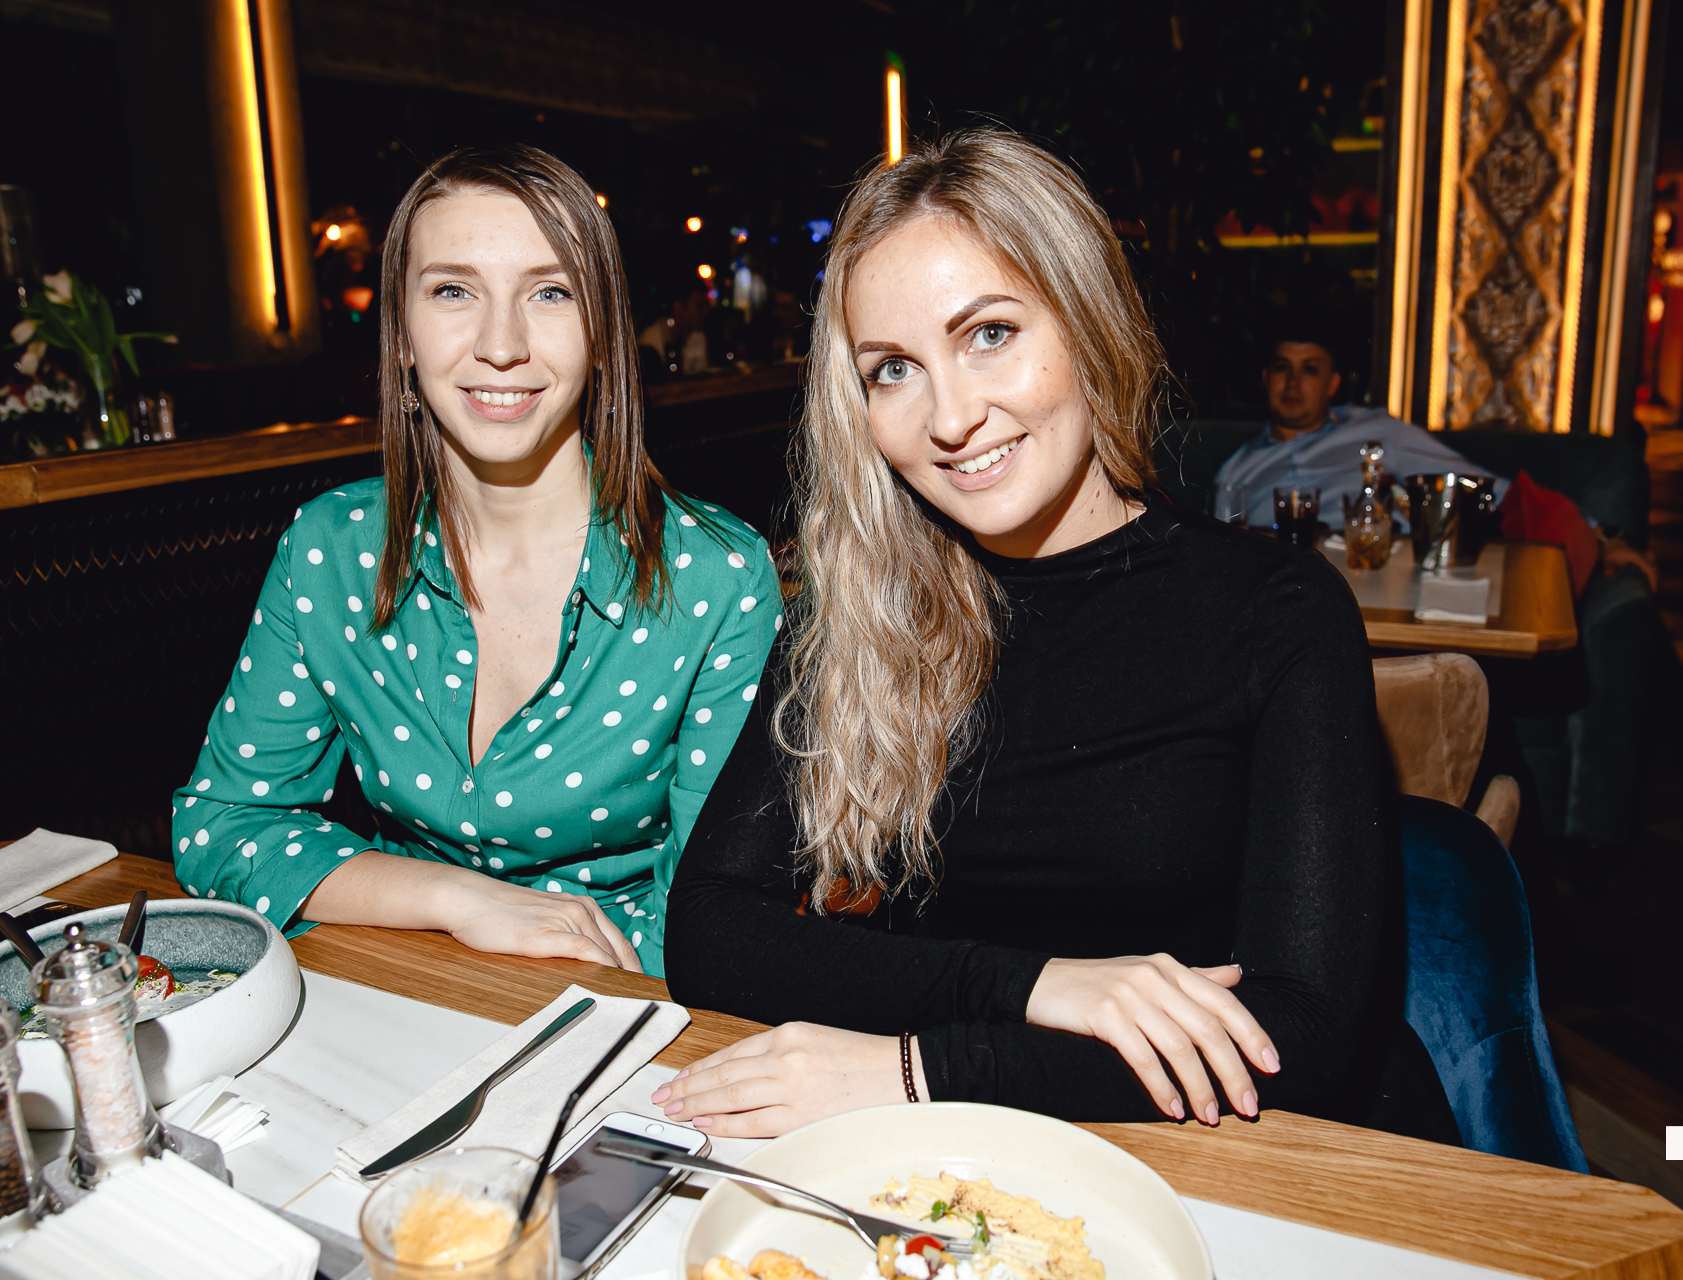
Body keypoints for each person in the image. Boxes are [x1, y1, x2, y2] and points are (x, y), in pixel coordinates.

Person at [659, 131, 1456, 1141]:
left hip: (1229, 1150)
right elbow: (711, 928)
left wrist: (923, 1068)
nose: (951, 417)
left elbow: (1303, 1032)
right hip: (960, 1149)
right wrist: (1035, 985)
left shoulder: (1276, 612)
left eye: (989, 333)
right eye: (893, 368)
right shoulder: (862, 611)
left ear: (1086, 318)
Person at [172, 146, 783, 977]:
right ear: (401, 333)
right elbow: (222, 825)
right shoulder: (329, 549)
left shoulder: (717, 578)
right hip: (401, 973)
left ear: (604, 333)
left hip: (618, 992)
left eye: (551, 292)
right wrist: (456, 900)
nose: (501, 345)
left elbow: (717, 910)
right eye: (454, 291)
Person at [1213, 326, 1497, 530]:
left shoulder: (1378, 431)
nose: (1293, 383)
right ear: (1266, 378)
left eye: (1309, 370)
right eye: (1282, 368)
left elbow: (1484, 488)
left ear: (1332, 384)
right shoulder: (1236, 469)